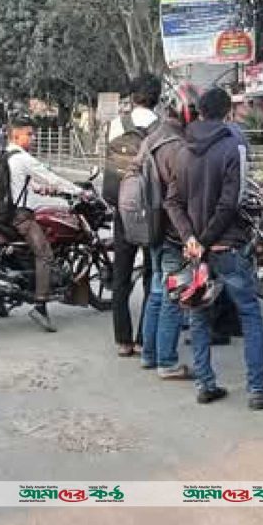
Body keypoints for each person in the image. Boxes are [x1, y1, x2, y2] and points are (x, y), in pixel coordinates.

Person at [165, 87, 263, 410]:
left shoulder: (182, 150)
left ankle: (206, 384)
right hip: (228, 246)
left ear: (198, 112)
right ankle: (257, 390)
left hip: (196, 252)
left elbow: (172, 202)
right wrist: (204, 239)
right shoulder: (235, 146)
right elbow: (230, 203)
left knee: (200, 315)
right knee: (249, 314)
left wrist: (191, 239)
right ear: (228, 113)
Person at [3, 115, 86, 332]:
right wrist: (80, 192)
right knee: (45, 254)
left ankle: (3, 301)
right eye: (29, 134)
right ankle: (40, 305)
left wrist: (41, 190)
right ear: (16, 135)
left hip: (4, 215)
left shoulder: (5, 155)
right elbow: (52, 177)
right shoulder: (22, 158)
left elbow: (19, 185)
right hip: (21, 217)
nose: (34, 137)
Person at [138, 83, 199, 380]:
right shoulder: (176, 145)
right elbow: (180, 194)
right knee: (173, 296)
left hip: (151, 225)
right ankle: (167, 361)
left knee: (158, 293)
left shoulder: (152, 138)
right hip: (172, 230)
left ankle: (149, 354)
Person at [107, 75, 157, 357]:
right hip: (150, 208)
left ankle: (123, 340)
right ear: (156, 97)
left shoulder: (117, 124)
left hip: (121, 206)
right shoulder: (159, 127)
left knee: (121, 275)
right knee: (152, 274)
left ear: (132, 96)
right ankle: (143, 338)